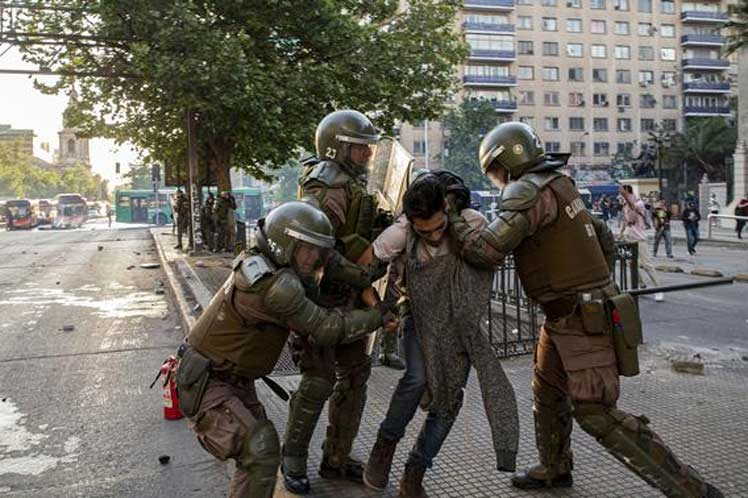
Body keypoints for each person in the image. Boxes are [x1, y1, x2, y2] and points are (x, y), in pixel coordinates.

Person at [445, 122, 722, 498]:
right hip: (568, 313)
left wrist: (454, 216)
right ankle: (554, 468)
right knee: (547, 393)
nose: (494, 180)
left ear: (504, 164)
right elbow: (601, 236)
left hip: (579, 316)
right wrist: (594, 280)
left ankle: (691, 490)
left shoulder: (527, 190)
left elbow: (485, 251)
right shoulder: (560, 184)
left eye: (493, 171)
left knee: (596, 413)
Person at [176, 202, 395, 498]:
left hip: (231, 377)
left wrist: (362, 277)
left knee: (256, 460)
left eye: (316, 251)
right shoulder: (274, 286)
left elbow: (331, 263)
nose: (313, 259)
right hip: (209, 380)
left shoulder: (272, 262)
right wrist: (379, 316)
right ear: (286, 243)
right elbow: (326, 328)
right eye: (307, 250)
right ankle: (294, 464)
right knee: (260, 449)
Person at [362, 172, 519, 497]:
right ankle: (384, 447)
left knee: (448, 401)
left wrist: (459, 231)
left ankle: (415, 472)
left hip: (459, 328)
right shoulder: (402, 232)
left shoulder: (470, 222)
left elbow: (491, 255)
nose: (433, 236)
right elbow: (361, 267)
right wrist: (379, 308)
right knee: (417, 378)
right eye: (424, 231)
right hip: (418, 320)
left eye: (439, 227)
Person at [282, 110, 392, 494]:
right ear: (338, 147)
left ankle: (337, 457)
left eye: (368, 149)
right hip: (320, 298)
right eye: (360, 148)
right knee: (317, 381)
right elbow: (319, 250)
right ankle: (292, 459)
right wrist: (360, 275)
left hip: (346, 299)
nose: (366, 155)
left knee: (355, 376)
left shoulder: (349, 184)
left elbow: (350, 234)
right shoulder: (324, 187)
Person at [619, 185, 662, 300]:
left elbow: (632, 218)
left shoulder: (639, 204)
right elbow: (625, 220)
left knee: (647, 264)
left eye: (622, 192)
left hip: (639, 239)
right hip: (628, 238)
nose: (620, 194)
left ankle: (658, 290)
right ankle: (641, 283)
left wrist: (626, 199)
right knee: (630, 263)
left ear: (628, 192)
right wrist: (621, 233)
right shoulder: (625, 205)